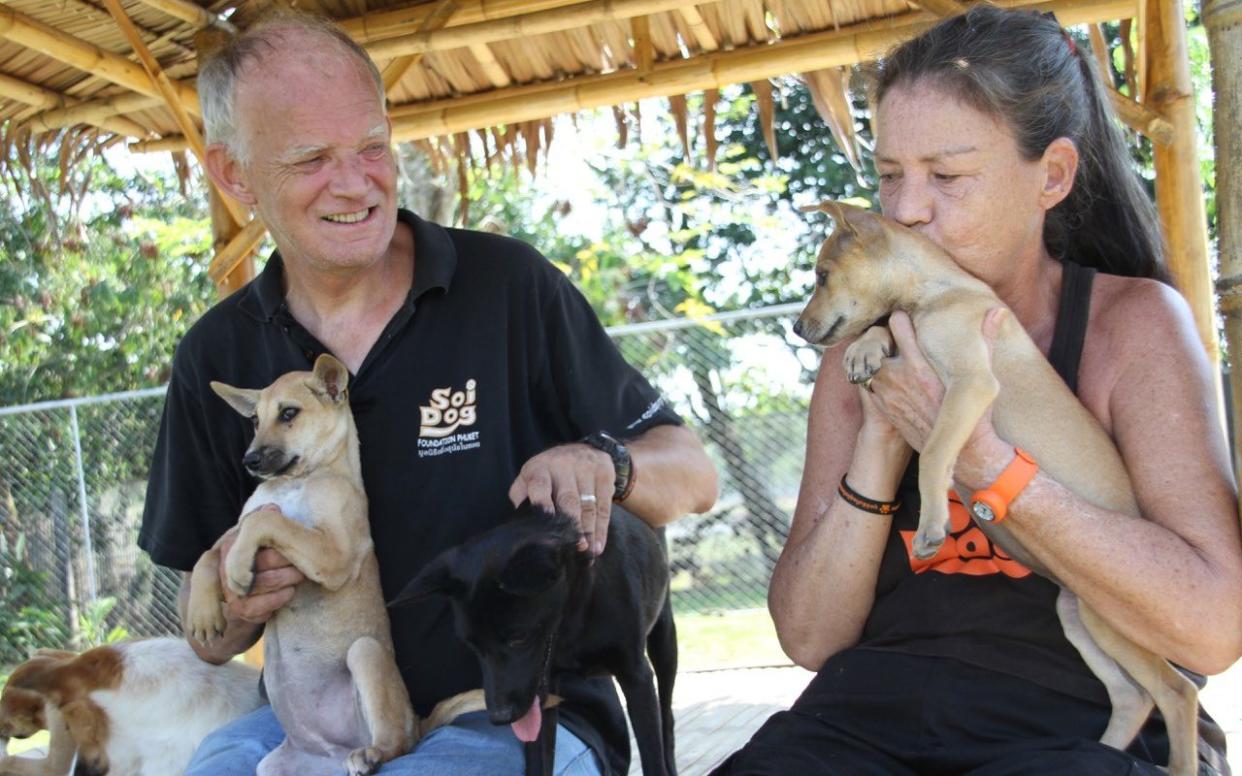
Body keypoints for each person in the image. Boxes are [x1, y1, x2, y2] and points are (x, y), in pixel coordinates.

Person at [137, 10, 718, 776]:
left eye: (371, 147)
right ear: (234, 174)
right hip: (316, 723)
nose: (356, 183)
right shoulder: (218, 357)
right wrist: (236, 605)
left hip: (521, 712)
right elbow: (207, 637)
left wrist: (607, 462)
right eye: (312, 158)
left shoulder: (507, 287)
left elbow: (694, 474)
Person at [715, 6, 1242, 775]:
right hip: (869, 719)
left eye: (948, 176)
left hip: (1068, 725)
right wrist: (880, 435)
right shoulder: (863, 346)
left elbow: (1210, 628)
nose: (906, 209)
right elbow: (810, 639)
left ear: (1052, 176)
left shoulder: (1128, 327)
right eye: (890, 175)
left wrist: (980, 460)